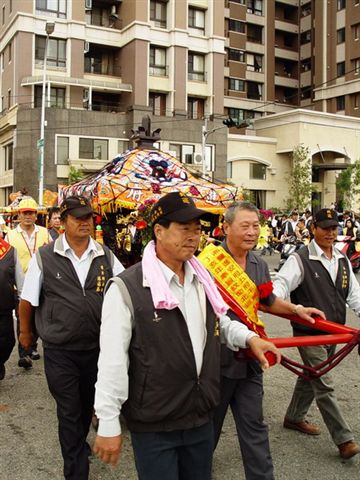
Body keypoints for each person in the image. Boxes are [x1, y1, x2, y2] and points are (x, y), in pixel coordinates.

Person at [93, 192, 280, 480]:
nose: (193, 236)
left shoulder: (202, 279)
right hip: (155, 421)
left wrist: (249, 338)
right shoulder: (126, 289)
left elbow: (219, 322)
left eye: (197, 229)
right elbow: (112, 361)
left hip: (199, 414)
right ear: (159, 231)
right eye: (184, 228)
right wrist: (108, 420)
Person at [198, 201, 323, 480]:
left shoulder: (257, 263)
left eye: (256, 226)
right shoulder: (207, 263)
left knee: (254, 427)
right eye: (245, 226)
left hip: (251, 361)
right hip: (216, 362)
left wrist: (296, 310)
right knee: (208, 428)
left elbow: (266, 300)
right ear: (226, 227)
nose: (252, 232)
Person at [18, 195, 124, 480]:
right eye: (77, 217)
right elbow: (27, 301)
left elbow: (127, 293)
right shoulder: (45, 256)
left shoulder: (106, 256)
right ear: (62, 222)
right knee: (68, 409)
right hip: (60, 349)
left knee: (88, 404)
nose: (84, 222)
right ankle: (76, 470)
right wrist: (25, 334)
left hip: (97, 349)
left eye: (88, 217)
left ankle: (78, 443)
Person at [273, 208, 360, 460]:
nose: (331, 233)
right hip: (309, 333)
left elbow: (354, 295)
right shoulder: (299, 259)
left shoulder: (342, 260)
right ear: (314, 229)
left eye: (334, 228)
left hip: (336, 333)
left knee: (312, 375)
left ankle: (293, 417)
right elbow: (279, 287)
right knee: (324, 383)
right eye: (325, 228)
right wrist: (290, 307)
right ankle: (344, 439)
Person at [5, 197, 51, 368]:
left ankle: (32, 345)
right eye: (24, 213)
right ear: (19, 215)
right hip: (20, 283)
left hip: (42, 281)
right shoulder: (10, 235)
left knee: (39, 316)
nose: (28, 216)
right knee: (22, 316)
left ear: (35, 215)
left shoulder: (44, 232)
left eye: (31, 213)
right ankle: (24, 352)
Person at [0, 237, 24, 381]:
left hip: (3, 306)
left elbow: (19, 279)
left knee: (7, 341)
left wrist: (22, 299)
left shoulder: (9, 251)